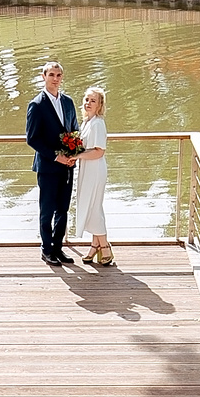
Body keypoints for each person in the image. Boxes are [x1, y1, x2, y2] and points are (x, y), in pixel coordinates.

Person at [23, 60, 80, 266]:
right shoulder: (37, 105)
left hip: (68, 165)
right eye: (51, 75)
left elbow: (74, 129)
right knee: (47, 210)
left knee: (63, 209)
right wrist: (57, 156)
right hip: (48, 166)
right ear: (43, 77)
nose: (55, 79)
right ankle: (46, 250)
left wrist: (74, 154)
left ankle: (58, 248)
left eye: (58, 75)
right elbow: (32, 139)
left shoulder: (68, 101)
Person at [73, 86, 113, 266]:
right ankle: (94, 245)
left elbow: (98, 152)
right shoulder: (87, 122)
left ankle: (105, 246)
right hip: (86, 169)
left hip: (95, 169)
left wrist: (76, 155)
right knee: (89, 205)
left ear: (100, 105)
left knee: (94, 206)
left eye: (93, 101)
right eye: (87, 99)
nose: (88, 103)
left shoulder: (98, 123)